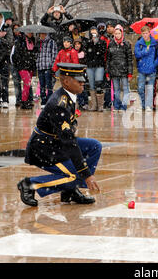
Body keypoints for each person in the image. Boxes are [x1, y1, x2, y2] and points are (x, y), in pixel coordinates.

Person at [18, 63, 102, 207]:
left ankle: (71, 189)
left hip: (57, 143)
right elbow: (69, 142)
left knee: (94, 146)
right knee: (74, 174)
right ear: (66, 81)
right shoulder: (59, 104)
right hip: (44, 149)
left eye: (83, 79)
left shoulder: (70, 96)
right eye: (79, 80)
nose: (83, 82)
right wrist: (87, 175)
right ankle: (30, 185)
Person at [134, 25, 158, 112]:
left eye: (146, 33)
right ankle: (142, 104)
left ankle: (148, 106)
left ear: (149, 33)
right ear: (141, 34)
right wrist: (145, 51)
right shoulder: (139, 43)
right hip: (142, 70)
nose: (145, 35)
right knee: (140, 88)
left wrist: (155, 64)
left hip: (151, 70)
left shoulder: (155, 43)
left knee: (150, 89)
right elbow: (137, 54)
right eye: (143, 33)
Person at [106, 25, 133, 112]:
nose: (117, 35)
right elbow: (108, 59)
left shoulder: (126, 44)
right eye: (116, 33)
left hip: (124, 71)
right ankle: (117, 105)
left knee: (125, 89)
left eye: (119, 33)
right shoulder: (111, 44)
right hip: (114, 71)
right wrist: (108, 72)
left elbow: (129, 59)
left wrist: (130, 73)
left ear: (122, 33)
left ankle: (124, 106)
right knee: (116, 91)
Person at [12, 32, 38, 109]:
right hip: (22, 66)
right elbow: (15, 55)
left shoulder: (33, 41)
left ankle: (26, 100)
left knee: (27, 84)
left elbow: (33, 54)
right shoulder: (20, 41)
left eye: (32, 33)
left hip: (30, 66)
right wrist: (20, 63)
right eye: (29, 32)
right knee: (27, 83)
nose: (31, 34)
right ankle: (23, 101)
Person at [86, 26, 107, 112]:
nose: (93, 32)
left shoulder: (102, 42)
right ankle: (94, 105)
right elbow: (87, 53)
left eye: (95, 31)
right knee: (91, 85)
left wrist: (97, 43)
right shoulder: (88, 42)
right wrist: (91, 43)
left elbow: (102, 52)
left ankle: (100, 105)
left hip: (99, 65)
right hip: (90, 66)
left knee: (99, 83)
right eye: (92, 31)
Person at [36, 32, 58, 108]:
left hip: (48, 67)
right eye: (40, 34)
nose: (41, 35)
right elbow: (36, 54)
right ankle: (43, 101)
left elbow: (54, 55)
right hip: (40, 66)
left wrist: (53, 67)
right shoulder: (38, 43)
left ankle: (49, 101)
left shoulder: (51, 42)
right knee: (42, 85)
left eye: (43, 34)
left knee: (49, 85)